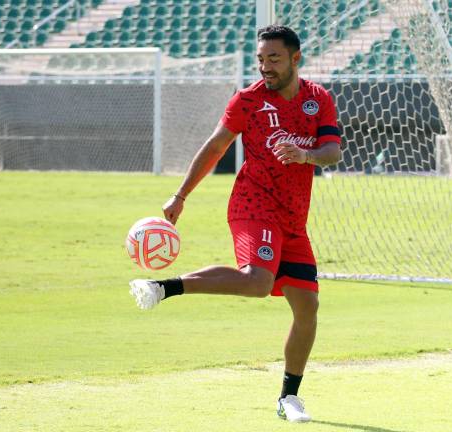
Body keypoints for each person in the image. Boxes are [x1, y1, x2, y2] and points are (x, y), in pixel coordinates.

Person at [129, 25, 342, 423]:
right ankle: (165, 288)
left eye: (274, 59)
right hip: (253, 204)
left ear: (296, 59)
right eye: (261, 59)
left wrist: (305, 154)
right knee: (258, 282)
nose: (265, 67)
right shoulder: (247, 101)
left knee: (307, 305)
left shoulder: (319, 99)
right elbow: (215, 146)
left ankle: (288, 399)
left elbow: (332, 152)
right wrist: (180, 195)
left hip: (293, 217)